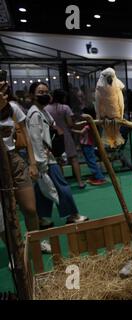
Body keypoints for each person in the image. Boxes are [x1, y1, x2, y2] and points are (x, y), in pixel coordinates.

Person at [27, 82, 88, 228]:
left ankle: (42, 218)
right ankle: (72, 214)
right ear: (31, 96)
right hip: (44, 159)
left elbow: (53, 127)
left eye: (47, 92)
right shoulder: (35, 114)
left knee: (42, 189)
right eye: (40, 92)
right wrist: (41, 163)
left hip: (50, 155)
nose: (45, 95)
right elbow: (35, 139)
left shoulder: (43, 111)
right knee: (62, 186)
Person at [0, 82, 51, 252]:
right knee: (5, 215)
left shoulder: (12, 107)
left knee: (30, 208)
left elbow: (26, 133)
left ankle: (36, 242)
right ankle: (16, 250)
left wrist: (32, 162)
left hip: (14, 159)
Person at [45, 89, 86, 189]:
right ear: (62, 97)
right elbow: (70, 124)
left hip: (54, 137)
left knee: (58, 161)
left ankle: (62, 183)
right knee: (73, 159)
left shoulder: (46, 108)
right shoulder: (65, 107)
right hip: (66, 135)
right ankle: (80, 182)